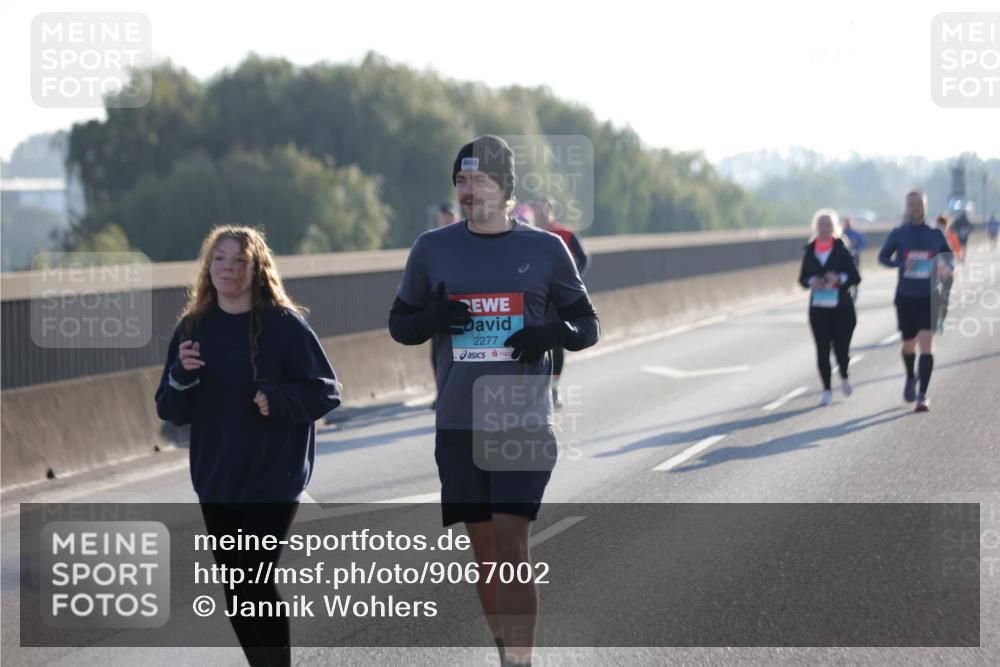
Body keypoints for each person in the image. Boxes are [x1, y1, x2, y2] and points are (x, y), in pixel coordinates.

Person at [388, 136, 599, 667]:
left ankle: (519, 663)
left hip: (520, 416)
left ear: (505, 186)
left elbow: (588, 326)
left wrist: (550, 332)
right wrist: (433, 320)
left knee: (511, 548)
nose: (466, 189)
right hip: (459, 420)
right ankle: (506, 653)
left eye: (477, 179)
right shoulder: (431, 249)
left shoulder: (545, 249)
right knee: (484, 557)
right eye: (460, 180)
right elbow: (400, 324)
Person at [155, 225, 341, 667]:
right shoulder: (193, 327)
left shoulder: (283, 324)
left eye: (240, 260)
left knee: (254, 578)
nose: (229, 269)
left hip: (273, 475)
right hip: (217, 476)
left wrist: (278, 398)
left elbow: (326, 391)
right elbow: (170, 408)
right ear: (208, 266)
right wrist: (181, 376)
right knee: (236, 587)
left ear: (257, 269)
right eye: (220, 259)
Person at [878, 191, 954, 412]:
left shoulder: (935, 234)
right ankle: (911, 376)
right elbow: (883, 258)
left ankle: (922, 395)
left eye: (918, 203)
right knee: (909, 344)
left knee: (926, 341)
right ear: (907, 206)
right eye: (911, 203)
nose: (914, 207)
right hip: (905, 296)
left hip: (929, 295)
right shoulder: (899, 233)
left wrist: (944, 267)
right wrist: (902, 264)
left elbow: (949, 260)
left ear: (925, 206)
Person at [528, 197, 590, 408]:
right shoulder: (524, 234)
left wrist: (569, 283)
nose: (541, 212)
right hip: (534, 298)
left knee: (556, 342)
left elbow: (583, 258)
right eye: (537, 208)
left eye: (545, 208)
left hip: (557, 298)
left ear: (552, 211)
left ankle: (553, 388)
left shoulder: (565, 234)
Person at [798, 209, 861, 406]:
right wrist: (811, 281)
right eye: (821, 224)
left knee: (841, 348)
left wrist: (839, 278)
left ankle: (844, 373)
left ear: (835, 228)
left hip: (841, 308)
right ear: (816, 228)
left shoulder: (842, 248)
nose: (824, 228)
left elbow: (855, 277)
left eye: (828, 224)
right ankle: (826, 389)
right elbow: (802, 278)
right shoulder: (810, 250)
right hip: (819, 308)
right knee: (822, 349)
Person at [934, 214, 960, 332]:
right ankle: (934, 320)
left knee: (944, 298)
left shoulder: (951, 237)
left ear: (946, 226)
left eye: (942, 225)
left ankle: (941, 321)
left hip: (949, 273)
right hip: (935, 274)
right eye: (938, 225)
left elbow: (956, 254)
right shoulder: (931, 237)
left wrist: (950, 267)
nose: (939, 227)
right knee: (936, 298)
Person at [841, 215, 866, 301]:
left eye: (849, 222)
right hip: (844, 259)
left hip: (855, 257)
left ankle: (855, 294)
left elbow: (862, 243)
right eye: (846, 222)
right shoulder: (842, 233)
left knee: (855, 274)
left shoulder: (856, 233)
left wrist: (856, 250)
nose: (847, 224)